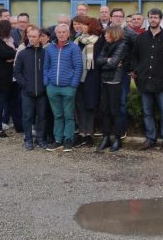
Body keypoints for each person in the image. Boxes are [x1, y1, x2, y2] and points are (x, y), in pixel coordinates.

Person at [131, 8, 163, 152]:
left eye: (156, 17)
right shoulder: (140, 38)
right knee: (147, 112)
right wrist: (137, 70)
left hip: (162, 82)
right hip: (144, 81)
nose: (153, 20)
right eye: (151, 17)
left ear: (160, 20)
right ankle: (150, 139)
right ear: (148, 19)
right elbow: (134, 57)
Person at [44, 23, 83, 152]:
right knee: (58, 115)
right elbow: (46, 67)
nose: (61, 34)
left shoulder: (74, 48)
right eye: (59, 32)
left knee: (68, 115)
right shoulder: (50, 48)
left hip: (68, 87)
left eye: (64, 32)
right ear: (56, 33)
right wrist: (47, 82)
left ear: (68, 34)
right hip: (52, 87)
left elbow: (78, 67)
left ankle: (68, 140)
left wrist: (73, 84)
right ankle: (58, 140)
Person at [13, 25, 47, 150]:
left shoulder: (45, 53)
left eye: (34, 36)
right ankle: (28, 139)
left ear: (39, 38)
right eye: (30, 36)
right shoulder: (22, 53)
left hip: (42, 91)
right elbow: (17, 72)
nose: (32, 39)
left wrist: (45, 84)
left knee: (42, 116)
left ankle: (40, 138)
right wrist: (24, 85)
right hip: (27, 91)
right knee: (27, 116)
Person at [96, 25, 128, 152]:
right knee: (105, 110)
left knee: (115, 111)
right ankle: (106, 137)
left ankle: (118, 139)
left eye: (107, 34)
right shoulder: (106, 45)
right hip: (104, 80)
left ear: (114, 34)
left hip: (115, 81)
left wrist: (106, 62)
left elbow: (114, 63)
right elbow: (98, 61)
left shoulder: (122, 45)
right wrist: (106, 61)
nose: (104, 36)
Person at [73, 16, 103, 148]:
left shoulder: (99, 42)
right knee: (78, 106)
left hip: (92, 78)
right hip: (77, 79)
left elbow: (99, 61)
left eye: (84, 24)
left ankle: (89, 134)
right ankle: (81, 133)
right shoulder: (77, 40)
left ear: (91, 26)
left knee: (90, 106)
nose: (81, 26)